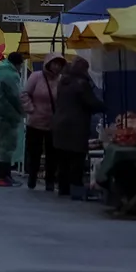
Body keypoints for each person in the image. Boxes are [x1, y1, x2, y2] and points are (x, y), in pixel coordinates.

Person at [52, 57, 105, 199]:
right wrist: (106, 107)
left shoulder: (63, 82)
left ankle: (63, 189)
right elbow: (92, 103)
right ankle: (75, 188)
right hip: (76, 127)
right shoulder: (82, 84)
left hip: (59, 124)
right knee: (77, 160)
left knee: (63, 160)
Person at [22, 52, 66, 191]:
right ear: (48, 64)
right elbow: (25, 94)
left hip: (53, 123)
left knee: (52, 154)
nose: (57, 67)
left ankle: (50, 181)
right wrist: (31, 109)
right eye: (55, 63)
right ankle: (32, 177)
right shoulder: (36, 77)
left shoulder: (61, 80)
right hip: (35, 122)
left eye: (59, 64)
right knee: (34, 152)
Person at [0, 52, 25, 187]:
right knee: (6, 147)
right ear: (19, 64)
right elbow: (16, 96)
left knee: (3, 145)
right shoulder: (11, 75)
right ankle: (3, 176)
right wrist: (24, 111)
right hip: (7, 115)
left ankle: (5, 176)